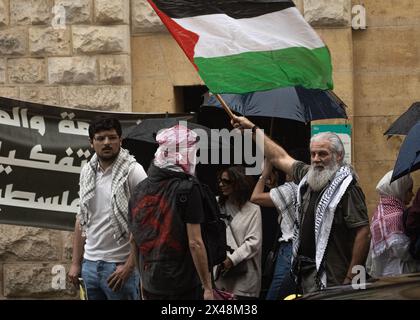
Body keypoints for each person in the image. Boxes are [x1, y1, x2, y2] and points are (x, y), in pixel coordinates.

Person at [231, 116, 370, 293]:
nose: (316, 159)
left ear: (338, 156)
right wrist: (252, 129)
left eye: (323, 154)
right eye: (313, 154)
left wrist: (351, 277)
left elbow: (363, 233)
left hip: (334, 276)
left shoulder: (347, 188)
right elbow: (278, 156)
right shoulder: (308, 175)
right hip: (306, 272)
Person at [128, 125, 214, 300]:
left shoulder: (139, 190)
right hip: (184, 286)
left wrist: (143, 281)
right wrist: (208, 287)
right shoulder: (188, 189)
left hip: (152, 284)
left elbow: (133, 240)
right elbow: (195, 243)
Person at [67, 116, 147, 300]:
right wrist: (76, 263)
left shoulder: (133, 171)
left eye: (112, 137)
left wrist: (128, 267)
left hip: (119, 267)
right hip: (90, 266)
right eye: (100, 138)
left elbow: (146, 223)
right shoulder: (87, 172)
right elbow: (82, 218)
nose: (107, 142)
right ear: (91, 142)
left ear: (120, 140)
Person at [250, 158, 297, 300]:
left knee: (275, 295)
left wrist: (264, 174)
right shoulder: (304, 187)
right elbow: (284, 211)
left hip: (289, 249)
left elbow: (255, 197)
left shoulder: (289, 188)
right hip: (301, 249)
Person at [215, 166, 262, 300]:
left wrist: (232, 259)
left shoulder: (253, 210)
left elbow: (253, 242)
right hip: (220, 274)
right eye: (220, 180)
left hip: (244, 275)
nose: (221, 184)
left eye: (226, 181)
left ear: (239, 183)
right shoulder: (216, 204)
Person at [368, 171, 420, 277]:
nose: (412, 194)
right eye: (409, 190)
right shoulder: (394, 216)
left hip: (384, 272)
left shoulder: (381, 211)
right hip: (398, 275)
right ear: (399, 190)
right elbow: (403, 250)